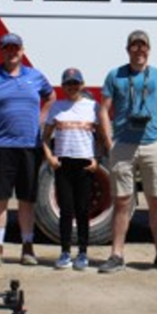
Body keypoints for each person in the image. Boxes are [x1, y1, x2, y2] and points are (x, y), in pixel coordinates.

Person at [97, 29, 157, 274]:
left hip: (153, 144)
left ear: (149, 50)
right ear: (128, 49)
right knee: (122, 201)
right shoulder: (115, 75)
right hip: (123, 145)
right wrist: (110, 142)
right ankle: (116, 254)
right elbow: (104, 110)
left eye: (143, 46)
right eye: (134, 46)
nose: (139, 50)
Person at [0, 33, 55, 267]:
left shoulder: (35, 76)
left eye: (16, 48)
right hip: (0, 147)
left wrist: (41, 120)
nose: (12, 53)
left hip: (29, 147)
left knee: (27, 201)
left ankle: (27, 247)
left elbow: (51, 97)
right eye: (7, 49)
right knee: (0, 199)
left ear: (22, 51)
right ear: (1, 51)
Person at [42, 67, 108, 272]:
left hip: (85, 165)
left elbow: (102, 137)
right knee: (66, 211)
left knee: (82, 210)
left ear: (82, 85)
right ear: (63, 86)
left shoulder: (93, 107)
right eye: (68, 84)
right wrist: (50, 157)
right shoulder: (57, 107)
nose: (72, 87)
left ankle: (82, 253)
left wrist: (97, 160)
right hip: (64, 164)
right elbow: (45, 137)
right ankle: (64, 253)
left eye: (75, 83)